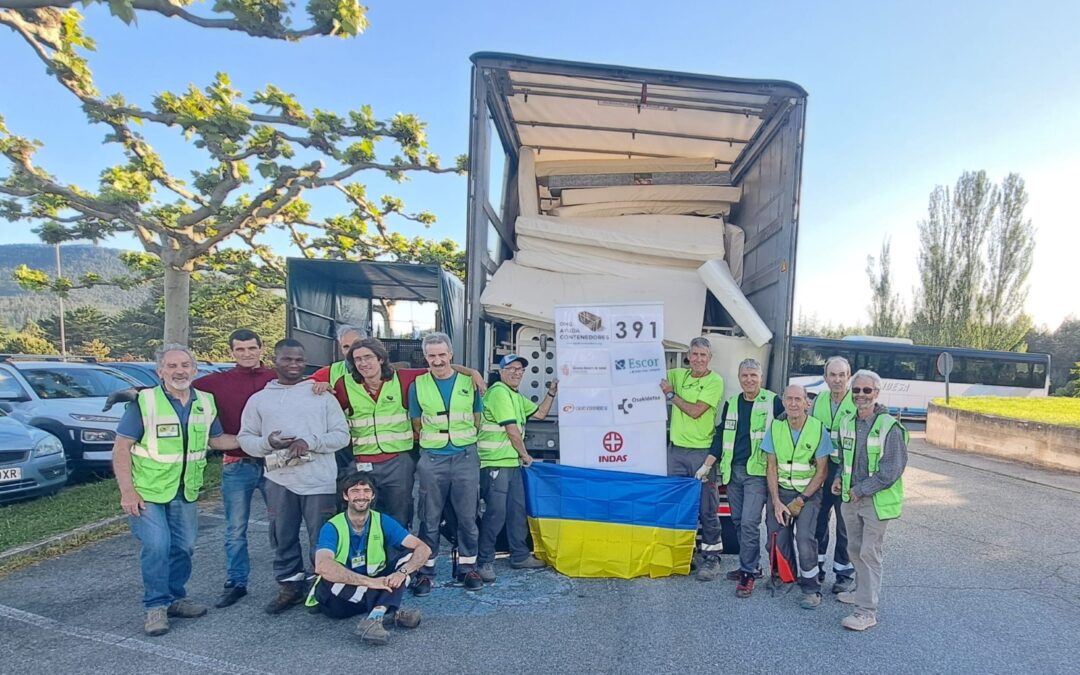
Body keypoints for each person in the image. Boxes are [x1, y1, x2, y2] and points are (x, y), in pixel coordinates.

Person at [111, 344, 238, 636]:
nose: (179, 371)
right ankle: (155, 607)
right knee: (157, 545)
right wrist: (127, 491)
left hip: (185, 490)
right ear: (160, 372)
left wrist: (259, 441)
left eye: (185, 365)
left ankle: (176, 599)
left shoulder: (205, 402)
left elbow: (217, 441)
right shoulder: (144, 402)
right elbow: (122, 448)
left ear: (194, 370)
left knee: (184, 547)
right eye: (172, 366)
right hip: (147, 491)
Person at [238, 339, 350, 615]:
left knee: (321, 537)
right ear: (275, 361)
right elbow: (245, 438)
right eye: (287, 359)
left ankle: (321, 585)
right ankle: (290, 585)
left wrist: (310, 441)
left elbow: (342, 435)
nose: (294, 365)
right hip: (279, 479)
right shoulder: (259, 400)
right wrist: (268, 443)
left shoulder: (322, 396)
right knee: (282, 534)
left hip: (319, 480)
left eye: (299, 360)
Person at [330, 337, 488, 528]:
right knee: (362, 518)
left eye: (368, 357)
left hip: (398, 462)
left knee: (399, 516)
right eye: (358, 359)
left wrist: (472, 372)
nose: (364, 363)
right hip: (363, 462)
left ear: (380, 358)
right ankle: (368, 556)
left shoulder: (403, 378)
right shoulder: (343, 385)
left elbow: (439, 366)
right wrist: (320, 385)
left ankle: (399, 557)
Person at [191, 329, 277, 609]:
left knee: (281, 523)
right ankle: (236, 581)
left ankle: (288, 580)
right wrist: (136, 393)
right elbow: (177, 388)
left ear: (261, 349)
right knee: (235, 528)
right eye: (240, 350)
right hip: (237, 463)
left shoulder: (275, 379)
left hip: (274, 463)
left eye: (251, 348)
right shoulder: (216, 382)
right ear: (231, 353)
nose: (247, 354)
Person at [307, 472, 432, 646]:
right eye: (355, 491)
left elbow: (423, 549)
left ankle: (376, 616)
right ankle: (390, 611)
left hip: (371, 587)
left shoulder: (381, 520)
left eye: (366, 490)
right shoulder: (333, 526)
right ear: (345, 495)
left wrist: (401, 573)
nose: (361, 495)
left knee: (409, 558)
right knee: (330, 576)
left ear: (373, 495)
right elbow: (322, 566)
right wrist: (371, 582)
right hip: (339, 599)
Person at [699, 358, 784, 598]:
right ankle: (751, 565)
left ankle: (748, 572)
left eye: (753, 376)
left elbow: (788, 429)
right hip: (733, 471)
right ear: (739, 378)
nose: (749, 380)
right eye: (745, 376)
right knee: (737, 520)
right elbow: (721, 434)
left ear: (760, 377)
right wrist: (709, 462)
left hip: (757, 473)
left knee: (748, 522)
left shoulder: (772, 401)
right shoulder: (732, 403)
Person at [831, 369, 908, 631]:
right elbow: (844, 458)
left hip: (875, 500)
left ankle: (866, 611)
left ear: (876, 393)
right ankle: (860, 591)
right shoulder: (846, 422)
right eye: (856, 390)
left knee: (869, 552)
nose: (861, 395)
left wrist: (862, 489)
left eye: (866, 390)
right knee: (854, 549)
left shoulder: (890, 427)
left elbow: (892, 469)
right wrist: (840, 477)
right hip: (851, 498)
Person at [408, 332, 483, 594]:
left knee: (467, 517)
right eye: (432, 355)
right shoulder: (417, 385)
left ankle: (467, 568)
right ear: (425, 357)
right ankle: (425, 571)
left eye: (442, 354)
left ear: (450, 354)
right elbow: (416, 424)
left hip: (465, 456)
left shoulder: (469, 382)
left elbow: (477, 418)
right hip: (432, 458)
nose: (437, 360)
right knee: (429, 517)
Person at [476, 354, 556, 582]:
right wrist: (525, 455)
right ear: (500, 372)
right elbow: (511, 429)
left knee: (516, 510)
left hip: (510, 464)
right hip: (495, 462)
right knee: (496, 513)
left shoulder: (514, 395)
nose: (516, 372)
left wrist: (552, 392)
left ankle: (519, 555)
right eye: (510, 368)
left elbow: (540, 413)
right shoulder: (499, 392)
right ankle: (485, 561)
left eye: (519, 369)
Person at [659, 337, 725, 581]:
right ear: (688, 355)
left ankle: (711, 558)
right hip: (676, 451)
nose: (698, 359)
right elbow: (649, 371)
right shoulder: (678, 375)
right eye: (694, 354)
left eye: (703, 355)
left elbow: (696, 412)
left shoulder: (714, 381)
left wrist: (671, 395)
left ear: (710, 358)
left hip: (701, 452)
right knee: (677, 505)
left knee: (707, 507)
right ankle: (683, 555)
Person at [764, 384, 832, 609]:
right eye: (789, 399)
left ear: (807, 403)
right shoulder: (775, 428)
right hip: (781, 492)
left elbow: (822, 471)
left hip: (808, 495)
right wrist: (775, 502)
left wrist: (801, 499)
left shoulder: (817, 429)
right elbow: (771, 467)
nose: (793, 403)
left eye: (798, 399)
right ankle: (785, 577)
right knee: (777, 535)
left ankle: (811, 588)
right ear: (783, 402)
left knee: (804, 538)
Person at [810, 356, 858, 593]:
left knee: (844, 526)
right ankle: (817, 568)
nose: (837, 380)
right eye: (833, 375)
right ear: (825, 378)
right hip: (821, 472)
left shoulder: (856, 403)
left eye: (842, 375)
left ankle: (843, 573)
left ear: (849, 377)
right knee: (818, 522)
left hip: (846, 474)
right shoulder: (818, 400)